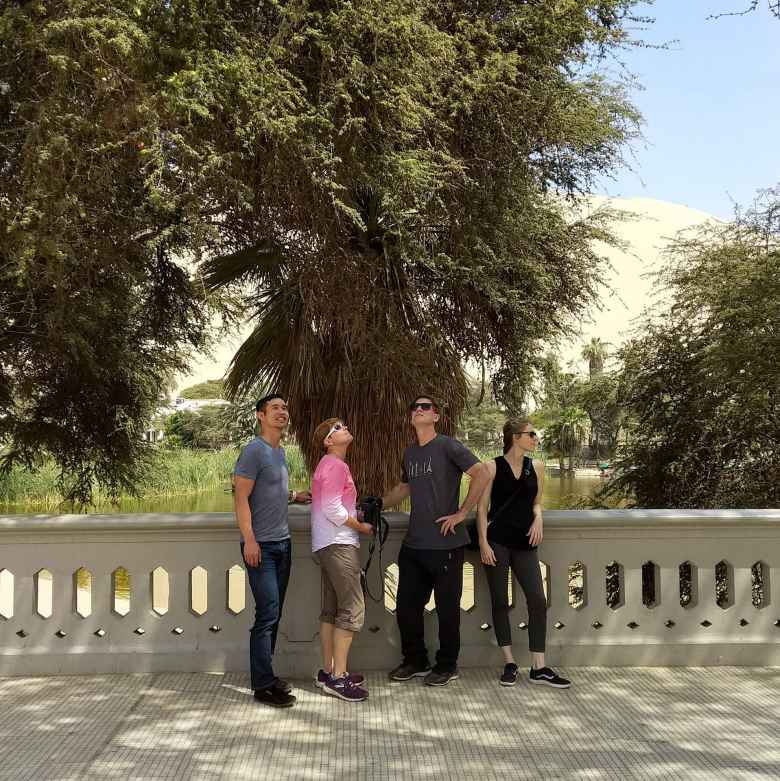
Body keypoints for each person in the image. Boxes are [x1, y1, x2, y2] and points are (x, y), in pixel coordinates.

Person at [382, 395, 490, 686]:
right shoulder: (410, 453)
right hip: (414, 545)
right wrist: (376, 505)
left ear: (436, 416)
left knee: (447, 611)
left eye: (425, 407)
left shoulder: (447, 445)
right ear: (411, 418)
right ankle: (415, 660)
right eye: (414, 407)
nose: (418, 410)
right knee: (406, 608)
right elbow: (403, 489)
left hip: (446, 545)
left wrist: (462, 512)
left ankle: (447, 665)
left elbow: (481, 472)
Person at [477, 419, 571, 689]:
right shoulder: (491, 467)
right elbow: (482, 509)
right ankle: (509, 663)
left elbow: (537, 502)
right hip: (497, 542)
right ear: (515, 437)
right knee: (499, 601)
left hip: (526, 542)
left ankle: (539, 667)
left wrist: (538, 518)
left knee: (538, 601)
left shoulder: (537, 467)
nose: (536, 439)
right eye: (531, 434)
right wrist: (483, 542)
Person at [233, 394, 311, 708]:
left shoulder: (279, 452)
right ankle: (263, 685)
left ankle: (268, 675)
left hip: (283, 543)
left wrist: (295, 495)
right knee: (266, 615)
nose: (282, 412)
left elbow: (270, 491)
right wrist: (249, 540)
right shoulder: (254, 451)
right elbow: (240, 499)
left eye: (285, 407)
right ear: (260, 416)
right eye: (275, 408)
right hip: (261, 547)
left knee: (274, 614)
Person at [310, 417, 374, 702]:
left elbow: (331, 504)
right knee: (352, 607)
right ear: (328, 441)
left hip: (325, 543)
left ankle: (329, 671)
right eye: (337, 428)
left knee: (331, 609)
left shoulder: (326, 465)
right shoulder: (336, 465)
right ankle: (338, 679)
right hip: (338, 545)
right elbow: (332, 509)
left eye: (344, 424)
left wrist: (356, 513)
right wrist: (361, 527)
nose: (344, 427)